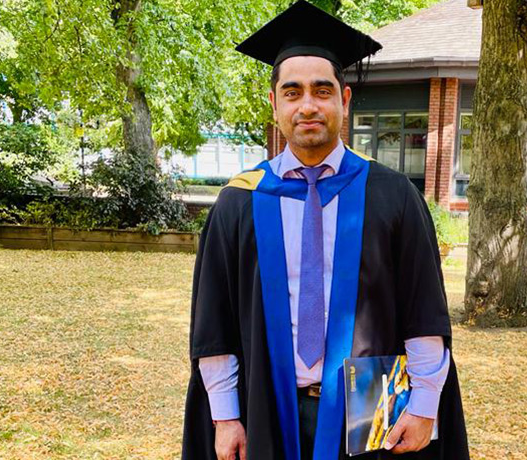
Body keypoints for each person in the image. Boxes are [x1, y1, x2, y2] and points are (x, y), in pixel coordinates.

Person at [181, 2, 469, 459]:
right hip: (266, 407)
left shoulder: (392, 196)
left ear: (344, 100)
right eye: (292, 92)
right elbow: (214, 323)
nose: (308, 105)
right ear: (274, 103)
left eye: (322, 90)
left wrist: (425, 405)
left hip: (370, 406)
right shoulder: (239, 202)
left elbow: (424, 312)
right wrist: (225, 416)